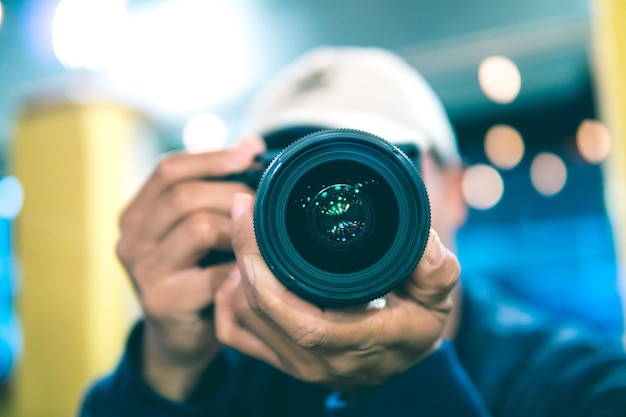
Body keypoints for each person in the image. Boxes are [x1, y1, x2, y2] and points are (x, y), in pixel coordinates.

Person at [79, 47, 626, 417]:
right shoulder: (225, 371)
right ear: (246, 202)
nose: (339, 189)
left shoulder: (571, 381)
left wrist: (406, 384)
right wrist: (167, 364)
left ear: (455, 190)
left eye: (382, 163)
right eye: (287, 172)